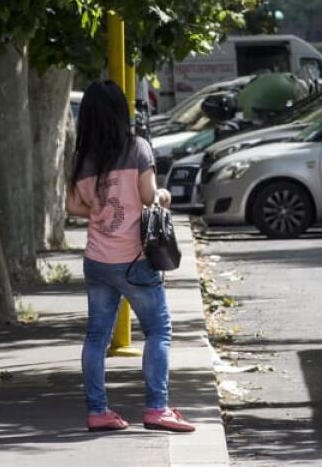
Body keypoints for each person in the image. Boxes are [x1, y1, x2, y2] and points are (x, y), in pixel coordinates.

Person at [65, 80, 195, 433]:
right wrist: (164, 195)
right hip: (134, 259)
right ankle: (157, 408)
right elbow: (150, 196)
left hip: (97, 259)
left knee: (96, 337)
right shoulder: (137, 148)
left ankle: (98, 411)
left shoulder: (83, 158)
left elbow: (73, 205)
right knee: (158, 330)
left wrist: (102, 207)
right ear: (120, 112)